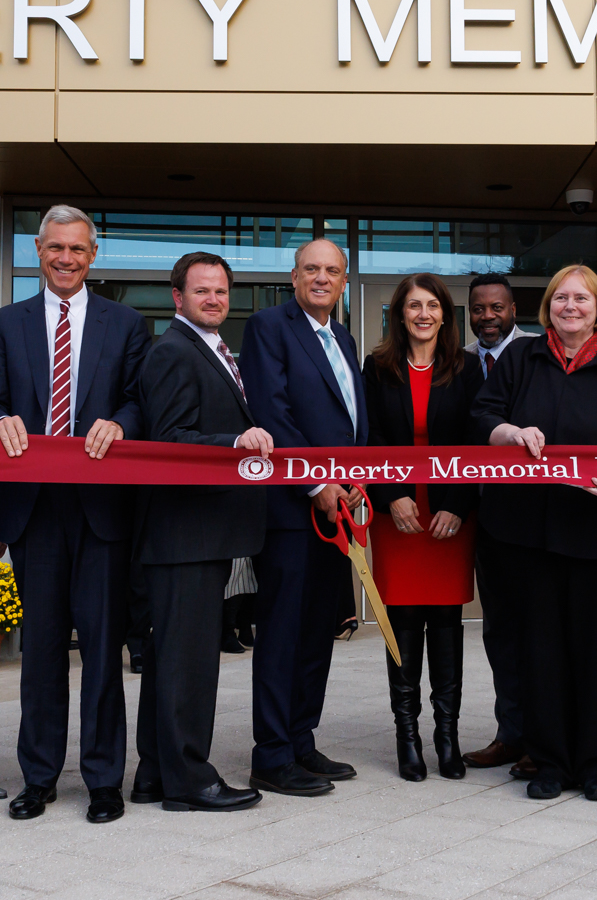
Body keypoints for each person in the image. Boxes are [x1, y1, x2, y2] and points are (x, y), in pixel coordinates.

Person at [0, 205, 148, 825]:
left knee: (103, 650)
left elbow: (139, 397)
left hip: (101, 508)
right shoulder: (5, 323)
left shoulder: (126, 323)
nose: (66, 259)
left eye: (77, 249)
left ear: (92, 255)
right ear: (38, 252)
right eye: (55, 248)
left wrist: (122, 421)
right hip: (35, 507)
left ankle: (104, 780)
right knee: (42, 651)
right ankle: (39, 777)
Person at [472, 264, 597, 802]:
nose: (570, 306)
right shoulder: (520, 359)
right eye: (560, 298)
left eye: (582, 299)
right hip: (526, 532)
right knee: (540, 650)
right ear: (548, 306)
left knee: (595, 651)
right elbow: (483, 414)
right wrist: (510, 432)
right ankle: (547, 761)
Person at [130, 251, 270, 813]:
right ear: (177, 298)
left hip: (197, 534)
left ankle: (153, 774)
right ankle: (189, 780)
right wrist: (232, 444)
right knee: (188, 662)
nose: (213, 299)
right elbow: (169, 439)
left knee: (173, 659)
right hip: (183, 533)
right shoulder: (171, 351)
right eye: (202, 291)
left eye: (220, 291)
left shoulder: (209, 349)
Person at [238, 237, 371, 798]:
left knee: (318, 629)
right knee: (283, 633)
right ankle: (270, 754)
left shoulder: (341, 335)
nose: (322, 278)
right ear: (293, 278)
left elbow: (347, 421)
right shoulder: (269, 327)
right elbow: (272, 411)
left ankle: (299, 739)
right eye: (311, 269)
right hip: (294, 510)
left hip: (337, 509)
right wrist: (316, 482)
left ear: (344, 282)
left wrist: (356, 478)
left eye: (332, 271)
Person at [362, 273, 482, 782]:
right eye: (414, 305)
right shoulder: (377, 367)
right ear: (400, 313)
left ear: (445, 315)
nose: (424, 314)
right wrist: (392, 498)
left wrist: (456, 503)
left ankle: (447, 736)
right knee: (403, 622)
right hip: (399, 517)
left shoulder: (468, 368)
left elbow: (480, 443)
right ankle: (407, 736)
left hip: (450, 516)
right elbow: (366, 440)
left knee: (447, 623)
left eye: (433, 305)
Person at [459, 272, 541, 777]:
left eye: (497, 307)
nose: (487, 317)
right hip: (484, 515)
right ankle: (510, 734)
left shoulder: (537, 353)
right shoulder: (462, 362)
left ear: (514, 308)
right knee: (500, 631)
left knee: (536, 630)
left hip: (533, 516)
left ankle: (541, 736)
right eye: (478, 309)